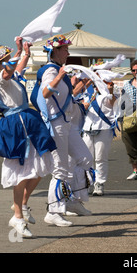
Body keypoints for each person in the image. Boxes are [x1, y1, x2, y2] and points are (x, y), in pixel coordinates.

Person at [0, 37, 56, 238]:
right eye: (5, 59)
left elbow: (17, 67)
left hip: (28, 120)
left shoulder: (11, 76)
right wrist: (16, 55)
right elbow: (8, 71)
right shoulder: (0, 77)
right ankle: (18, 216)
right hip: (15, 124)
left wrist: (23, 51)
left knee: (42, 164)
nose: (9, 61)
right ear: (0, 63)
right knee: (20, 171)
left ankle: (22, 205)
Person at [33, 34, 94, 227]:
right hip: (56, 123)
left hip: (67, 122)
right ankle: (53, 210)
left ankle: (73, 201)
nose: (68, 52)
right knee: (60, 168)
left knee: (84, 158)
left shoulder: (59, 70)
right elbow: (45, 92)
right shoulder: (50, 71)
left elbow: (67, 97)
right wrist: (60, 75)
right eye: (65, 49)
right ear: (55, 51)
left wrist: (87, 81)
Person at [82, 73, 118, 196]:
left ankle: (100, 183)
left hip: (103, 128)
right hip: (87, 127)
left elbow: (114, 104)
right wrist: (83, 106)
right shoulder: (88, 92)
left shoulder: (109, 92)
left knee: (100, 158)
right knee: (87, 158)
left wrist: (110, 91)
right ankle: (88, 182)